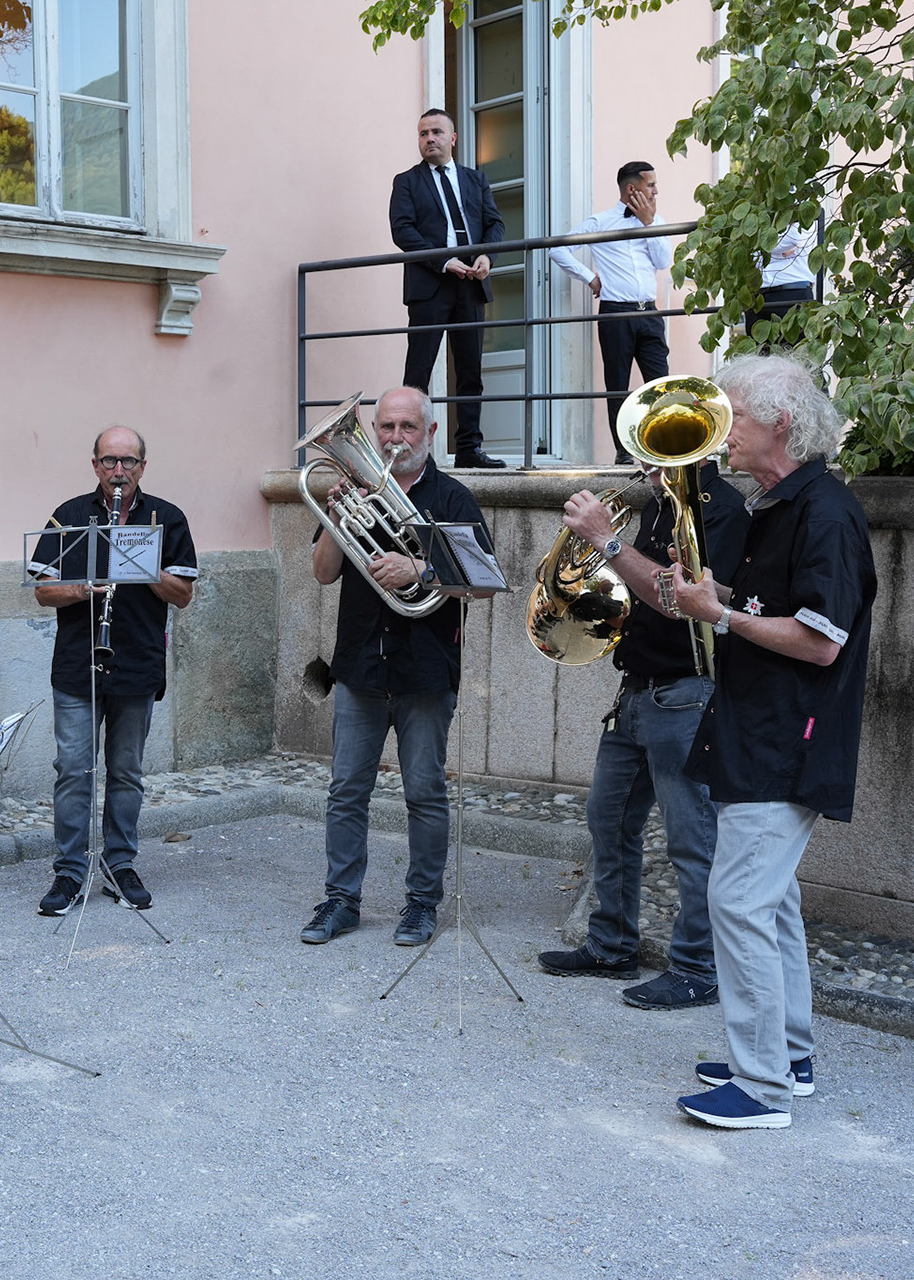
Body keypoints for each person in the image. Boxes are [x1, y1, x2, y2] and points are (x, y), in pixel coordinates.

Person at [668, 351, 876, 1129]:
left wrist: (719, 615)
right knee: (772, 903)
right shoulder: (785, 504)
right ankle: (788, 1056)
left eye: (734, 418)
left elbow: (820, 640)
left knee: (738, 902)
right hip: (762, 732)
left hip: (788, 739)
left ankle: (761, 1091)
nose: (722, 433)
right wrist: (709, 594)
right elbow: (770, 609)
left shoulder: (825, 512)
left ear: (780, 424)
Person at [535, 462, 748, 1009]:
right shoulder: (655, 505)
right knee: (607, 819)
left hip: (686, 692)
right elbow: (634, 589)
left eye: (659, 447)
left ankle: (698, 968)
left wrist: (606, 541)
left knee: (692, 841)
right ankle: (611, 946)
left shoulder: (721, 511)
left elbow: (684, 602)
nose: (644, 461)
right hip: (636, 689)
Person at [301, 386, 493, 947]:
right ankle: (341, 900)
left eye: (408, 427)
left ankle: (422, 904)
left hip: (425, 670)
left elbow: (484, 582)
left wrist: (419, 571)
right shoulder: (355, 490)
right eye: (386, 427)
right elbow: (322, 572)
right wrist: (334, 515)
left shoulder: (452, 497)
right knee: (345, 790)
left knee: (425, 794)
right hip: (360, 666)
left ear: (430, 433)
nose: (395, 438)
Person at [29, 426, 197, 916]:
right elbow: (42, 590)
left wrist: (143, 566)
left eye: (128, 462)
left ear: (143, 466)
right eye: (109, 461)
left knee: (126, 772)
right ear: (95, 465)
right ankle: (69, 871)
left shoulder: (167, 518)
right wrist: (86, 588)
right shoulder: (68, 516)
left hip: (137, 662)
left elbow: (183, 594)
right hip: (78, 663)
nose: (118, 471)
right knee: (73, 770)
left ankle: (119, 864)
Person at [390, 108, 507, 470]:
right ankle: (410, 453)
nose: (429, 139)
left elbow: (495, 224)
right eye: (423, 133)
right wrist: (443, 261)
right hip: (430, 285)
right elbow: (402, 231)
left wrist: (487, 255)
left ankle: (469, 448)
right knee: (418, 373)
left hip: (470, 284)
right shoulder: (406, 182)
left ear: (452, 138)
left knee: (470, 371)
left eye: (437, 132)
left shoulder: (475, 179)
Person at [547, 162, 675, 462]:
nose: (656, 191)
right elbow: (557, 249)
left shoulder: (656, 221)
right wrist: (589, 277)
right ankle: (624, 452)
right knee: (617, 385)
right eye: (651, 185)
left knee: (661, 383)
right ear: (632, 189)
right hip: (616, 314)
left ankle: (667, 446)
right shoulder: (601, 222)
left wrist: (649, 224)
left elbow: (662, 261)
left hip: (649, 314)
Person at [746, 223, 818, 334]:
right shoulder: (760, 217)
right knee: (756, 344)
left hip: (791, 293)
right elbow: (747, 246)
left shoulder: (803, 214)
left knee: (793, 343)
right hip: (757, 296)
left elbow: (794, 239)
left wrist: (758, 240)